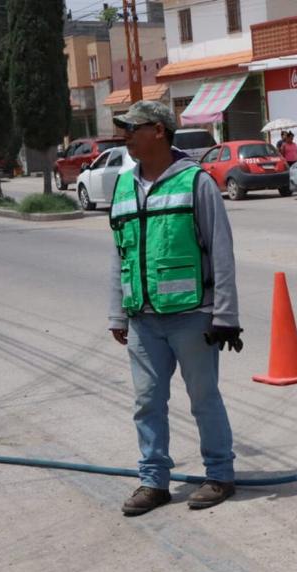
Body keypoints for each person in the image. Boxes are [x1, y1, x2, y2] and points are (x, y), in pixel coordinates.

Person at [107, 101, 243, 517]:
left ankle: (219, 474)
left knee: (203, 398)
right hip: (143, 318)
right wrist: (117, 312)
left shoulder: (194, 182)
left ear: (160, 131)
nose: (125, 135)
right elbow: (119, 253)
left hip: (192, 315)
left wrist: (225, 316)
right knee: (146, 402)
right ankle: (153, 482)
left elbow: (220, 249)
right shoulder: (124, 185)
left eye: (132, 128)